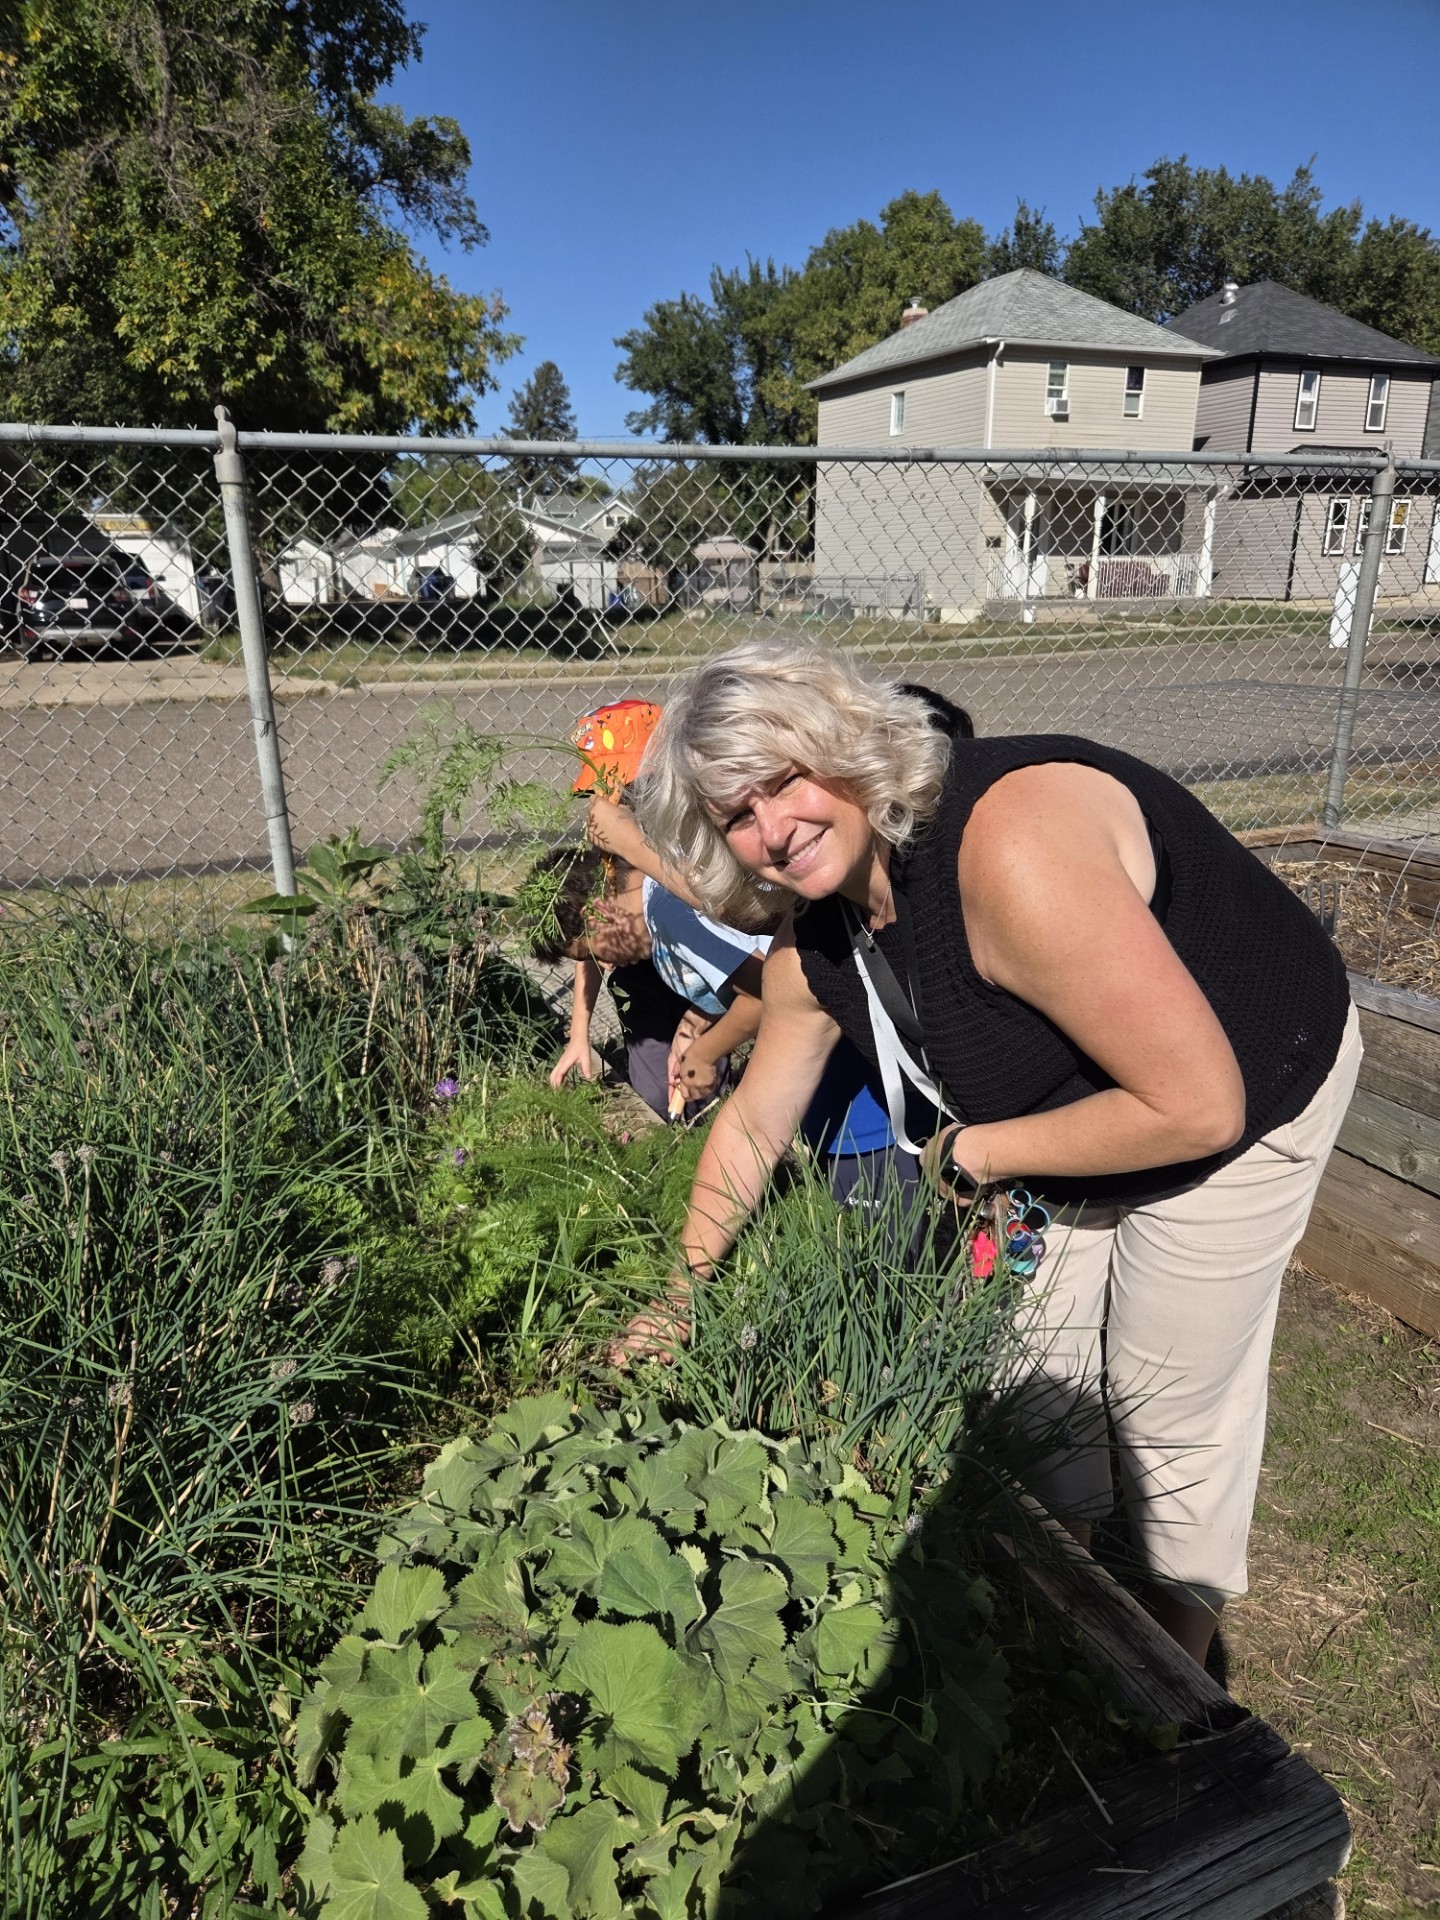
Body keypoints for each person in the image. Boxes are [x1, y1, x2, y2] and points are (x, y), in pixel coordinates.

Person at [621, 635, 1360, 1667]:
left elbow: (1195, 1110)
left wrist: (977, 1153)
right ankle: (1074, 1606)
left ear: (846, 747)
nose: (772, 832)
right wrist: (682, 1291)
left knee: (1167, 1399)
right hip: (1074, 1110)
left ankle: (1178, 1675)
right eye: (736, 816)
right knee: (1035, 1381)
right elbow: (752, 1122)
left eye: (783, 783)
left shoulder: (1008, 853)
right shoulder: (817, 938)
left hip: (1241, 1083)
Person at [529, 845, 761, 1123]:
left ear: (597, 916)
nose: (605, 966)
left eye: (597, 954)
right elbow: (726, 984)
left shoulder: (670, 914)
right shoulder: (655, 926)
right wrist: (693, 1024)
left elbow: (763, 990)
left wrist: (705, 1051)